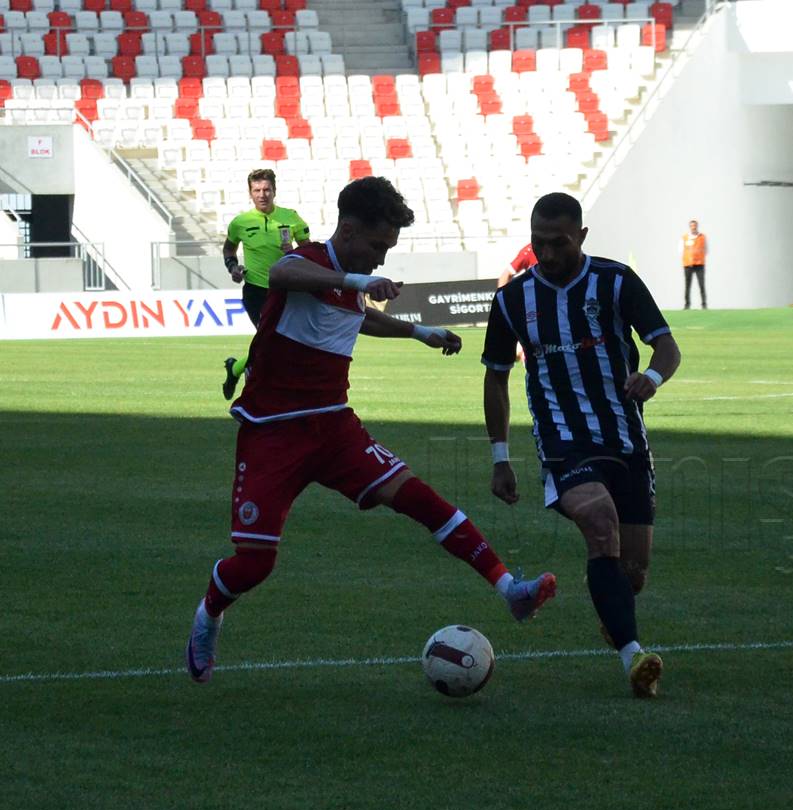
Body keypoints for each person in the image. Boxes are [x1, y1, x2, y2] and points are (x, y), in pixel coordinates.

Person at [186, 177, 558, 684]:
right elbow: (280, 272)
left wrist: (419, 332)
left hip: (335, 428)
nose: (382, 258)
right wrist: (357, 282)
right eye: (378, 245)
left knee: (419, 497)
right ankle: (210, 612)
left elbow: (358, 317)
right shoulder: (309, 261)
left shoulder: (347, 282)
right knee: (254, 564)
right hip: (272, 433)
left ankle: (509, 588)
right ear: (348, 230)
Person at [481, 192, 682, 698]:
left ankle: (615, 616)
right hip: (563, 441)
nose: (547, 254)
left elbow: (666, 345)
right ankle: (634, 658)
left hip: (626, 439)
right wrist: (500, 457)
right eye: (538, 243)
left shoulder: (615, 281)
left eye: (559, 243)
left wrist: (653, 377)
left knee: (632, 573)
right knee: (599, 523)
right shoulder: (512, 300)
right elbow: (497, 376)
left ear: (582, 237)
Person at [221, 168, 311, 401]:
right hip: (256, 291)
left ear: (274, 190)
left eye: (266, 189)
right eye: (257, 190)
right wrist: (233, 268)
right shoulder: (240, 222)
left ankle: (235, 368)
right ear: (250, 193)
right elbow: (229, 249)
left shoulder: (291, 217)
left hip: (288, 291)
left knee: (279, 343)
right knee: (272, 340)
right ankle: (267, 391)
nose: (262, 195)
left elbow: (310, 251)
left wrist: (296, 251)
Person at [681, 219, 708, 309]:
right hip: (688, 265)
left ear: (697, 226)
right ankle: (687, 304)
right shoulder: (685, 237)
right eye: (692, 226)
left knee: (701, 284)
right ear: (690, 227)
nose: (693, 227)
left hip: (699, 264)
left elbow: (706, 249)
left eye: (695, 226)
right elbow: (680, 250)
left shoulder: (702, 237)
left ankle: (704, 304)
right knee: (687, 285)